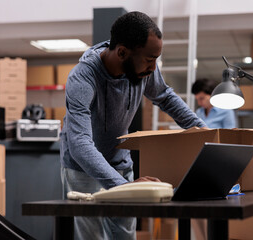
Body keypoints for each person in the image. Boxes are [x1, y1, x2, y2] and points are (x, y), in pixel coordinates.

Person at [59, 11, 206, 240]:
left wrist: (203, 132)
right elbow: (79, 143)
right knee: (91, 238)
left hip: (120, 163)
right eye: (149, 59)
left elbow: (165, 96)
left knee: (125, 236)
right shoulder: (82, 77)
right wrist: (124, 187)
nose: (153, 67)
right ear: (122, 52)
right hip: (83, 169)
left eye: (156, 59)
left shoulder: (145, 68)